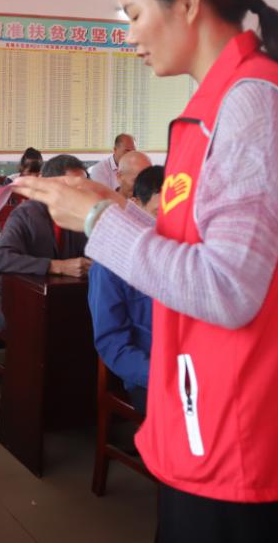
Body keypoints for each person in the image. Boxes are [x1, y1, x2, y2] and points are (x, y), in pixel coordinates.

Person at [14, 0, 278, 541]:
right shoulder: (227, 99)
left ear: (189, 3)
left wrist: (97, 223)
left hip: (245, 431)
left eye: (135, 13)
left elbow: (226, 287)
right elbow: (202, 244)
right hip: (219, 416)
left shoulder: (250, 103)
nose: (130, 34)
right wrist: (114, 206)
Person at [87, 165, 162, 415]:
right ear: (136, 206)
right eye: (157, 214)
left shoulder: (187, 252)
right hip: (150, 373)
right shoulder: (110, 261)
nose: (166, 226)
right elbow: (112, 342)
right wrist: (163, 378)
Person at [0, 154, 90, 329]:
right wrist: (57, 266)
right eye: (72, 187)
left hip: (63, 300)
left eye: (83, 187)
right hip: (22, 303)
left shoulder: (80, 216)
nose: (79, 195)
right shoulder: (25, 214)